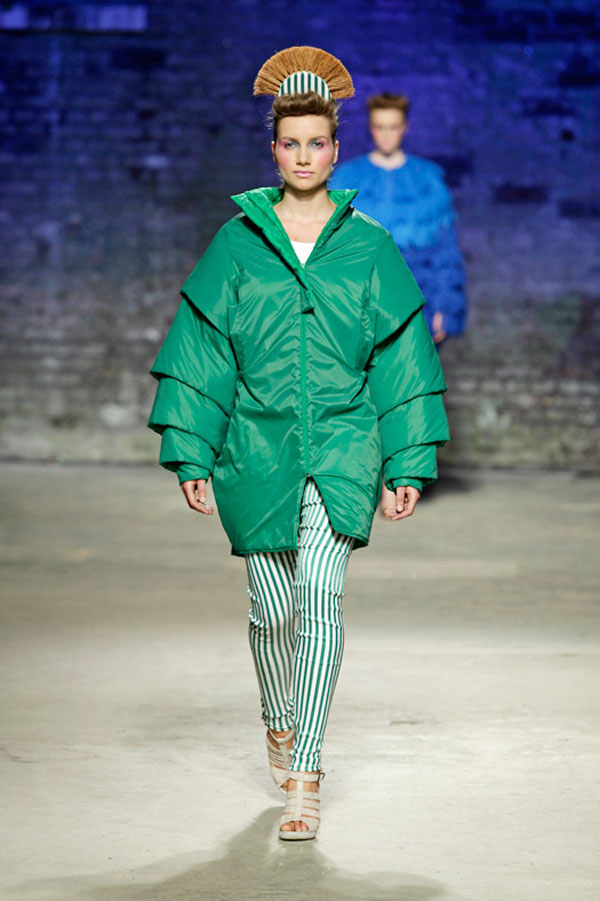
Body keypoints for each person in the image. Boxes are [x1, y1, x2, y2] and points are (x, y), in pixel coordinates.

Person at [146, 46, 450, 842]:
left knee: (319, 594)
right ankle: (277, 716)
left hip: (345, 443)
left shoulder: (369, 246)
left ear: (336, 150)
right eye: (292, 143)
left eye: (318, 143)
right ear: (275, 150)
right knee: (270, 605)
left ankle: (306, 772)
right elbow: (204, 348)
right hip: (256, 444)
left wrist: (408, 459)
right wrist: (192, 449)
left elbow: (400, 355)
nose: (305, 156)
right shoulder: (238, 243)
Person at [329, 91, 468, 350]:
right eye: (380, 127)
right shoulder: (347, 180)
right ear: (371, 128)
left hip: (417, 300)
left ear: (405, 127)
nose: (386, 135)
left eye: (393, 127)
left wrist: (445, 308)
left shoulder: (427, 181)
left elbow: (445, 252)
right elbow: (331, 255)